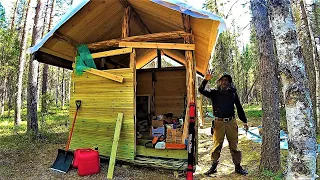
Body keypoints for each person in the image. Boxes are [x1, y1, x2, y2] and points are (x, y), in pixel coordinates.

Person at [198, 70, 249, 176]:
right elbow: (201, 90)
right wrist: (206, 80)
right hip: (218, 123)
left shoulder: (233, 93)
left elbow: (239, 107)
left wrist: (244, 121)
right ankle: (214, 166)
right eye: (223, 80)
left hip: (231, 122)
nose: (225, 82)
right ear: (219, 82)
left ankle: (238, 167)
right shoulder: (214, 93)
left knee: (234, 146)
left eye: (227, 80)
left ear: (229, 82)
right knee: (217, 146)